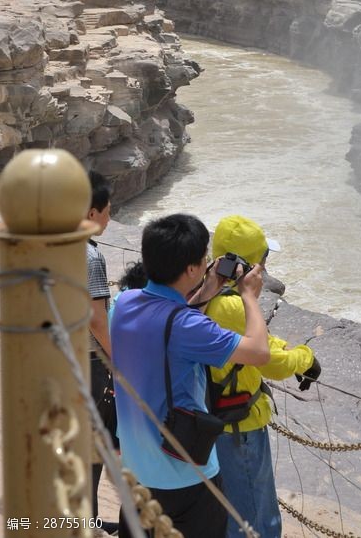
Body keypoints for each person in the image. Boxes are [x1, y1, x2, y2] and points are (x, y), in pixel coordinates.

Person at [111, 213, 270, 538]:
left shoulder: (123, 304)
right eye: (203, 259)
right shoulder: (188, 327)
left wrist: (210, 286)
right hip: (186, 475)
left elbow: (169, 317)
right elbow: (259, 351)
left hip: (136, 470)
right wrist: (249, 297)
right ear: (192, 269)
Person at [206, 215, 321, 538]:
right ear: (248, 265)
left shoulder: (205, 291)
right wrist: (306, 357)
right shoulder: (235, 306)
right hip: (238, 427)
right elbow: (270, 361)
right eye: (263, 258)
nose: (266, 265)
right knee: (256, 519)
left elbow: (262, 342)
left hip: (209, 421)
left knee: (225, 511)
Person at [85, 170, 117, 534]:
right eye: (107, 210)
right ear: (92, 212)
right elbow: (97, 319)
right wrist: (118, 362)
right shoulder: (91, 256)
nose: (110, 217)